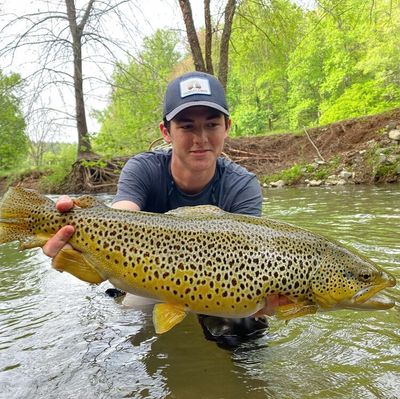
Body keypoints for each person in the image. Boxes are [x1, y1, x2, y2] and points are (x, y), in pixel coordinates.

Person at [43, 71, 289, 348]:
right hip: (148, 280)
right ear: (166, 132)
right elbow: (122, 216)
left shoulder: (242, 185)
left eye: (211, 124)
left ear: (227, 126)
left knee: (247, 326)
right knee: (132, 328)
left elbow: (250, 258)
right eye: (187, 127)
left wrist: (263, 297)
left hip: (219, 283)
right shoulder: (143, 169)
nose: (201, 138)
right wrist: (70, 230)